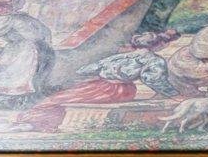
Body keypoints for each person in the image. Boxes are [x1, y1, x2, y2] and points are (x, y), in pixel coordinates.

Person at [15, 31, 176, 132]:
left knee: (63, 97)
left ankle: (37, 121)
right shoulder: (154, 60)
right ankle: (39, 122)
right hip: (118, 89)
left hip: (110, 87)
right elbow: (154, 79)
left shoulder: (121, 56)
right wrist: (173, 94)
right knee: (65, 97)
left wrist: (92, 76)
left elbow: (88, 69)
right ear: (158, 46)